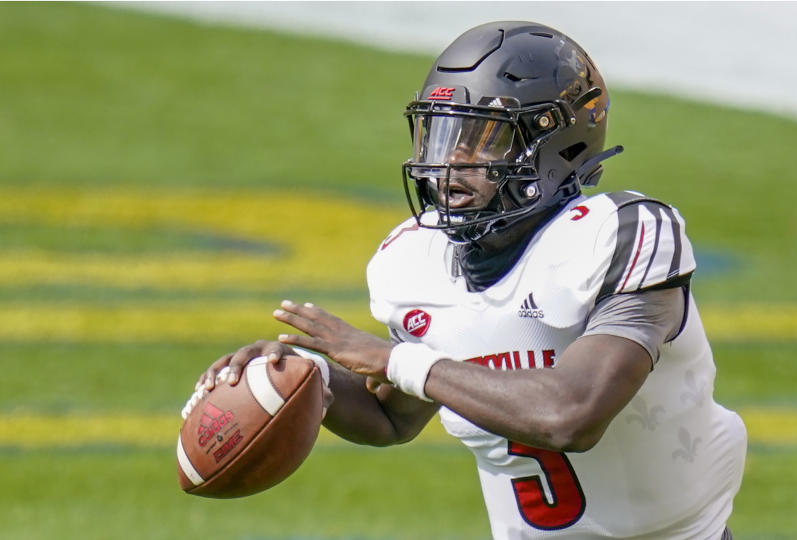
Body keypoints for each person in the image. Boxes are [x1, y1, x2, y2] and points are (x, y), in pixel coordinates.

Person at [187, 21, 746, 540]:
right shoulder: (414, 260)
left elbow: (571, 413)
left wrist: (395, 360)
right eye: (439, 135)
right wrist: (307, 382)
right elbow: (392, 414)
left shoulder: (623, 233)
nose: (447, 165)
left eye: (480, 141)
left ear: (555, 143)